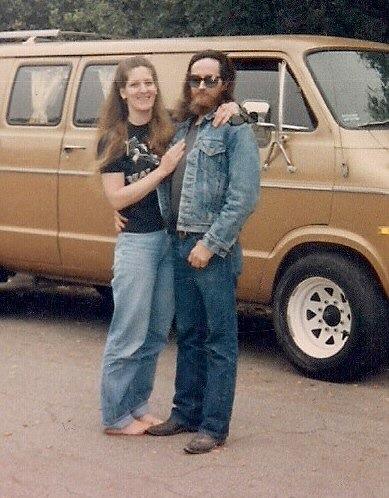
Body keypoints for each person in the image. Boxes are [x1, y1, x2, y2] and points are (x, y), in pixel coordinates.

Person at [97, 56, 241, 436]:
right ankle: (115, 416)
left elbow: (207, 107)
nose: (143, 90)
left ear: (157, 87)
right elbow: (115, 198)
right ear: (122, 91)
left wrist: (233, 105)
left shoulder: (170, 128)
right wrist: (158, 173)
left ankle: (137, 405)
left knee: (157, 331)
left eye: (149, 82)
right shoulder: (113, 138)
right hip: (138, 243)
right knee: (128, 331)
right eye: (135, 84)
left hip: (169, 241)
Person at [147, 50, 260, 453]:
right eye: (195, 79)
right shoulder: (181, 126)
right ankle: (184, 413)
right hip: (178, 243)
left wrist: (209, 245)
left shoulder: (235, 128)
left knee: (219, 339)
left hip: (211, 251)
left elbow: (243, 197)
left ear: (225, 83)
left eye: (210, 80)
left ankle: (213, 427)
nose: (201, 86)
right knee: (190, 335)